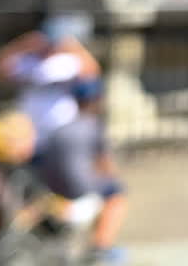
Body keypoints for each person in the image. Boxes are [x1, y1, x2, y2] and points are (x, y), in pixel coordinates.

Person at [35, 80, 127, 264]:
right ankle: (101, 247)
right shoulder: (94, 125)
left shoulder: (59, 129)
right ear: (98, 100)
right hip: (80, 191)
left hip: (53, 191)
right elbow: (106, 166)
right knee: (117, 194)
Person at [0, 13, 102, 146]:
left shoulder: (66, 61)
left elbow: (92, 71)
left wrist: (74, 46)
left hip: (62, 129)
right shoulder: (28, 60)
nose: (50, 47)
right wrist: (22, 44)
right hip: (29, 131)